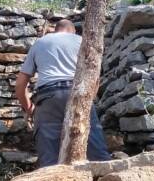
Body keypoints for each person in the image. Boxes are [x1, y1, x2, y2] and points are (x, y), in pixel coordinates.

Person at [15, 19, 113, 167]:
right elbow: (94, 77)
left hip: (48, 97)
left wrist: (29, 108)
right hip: (79, 92)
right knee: (97, 153)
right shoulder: (82, 41)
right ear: (72, 30)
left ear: (56, 30)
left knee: (49, 159)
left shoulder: (40, 43)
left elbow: (20, 84)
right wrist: (88, 100)